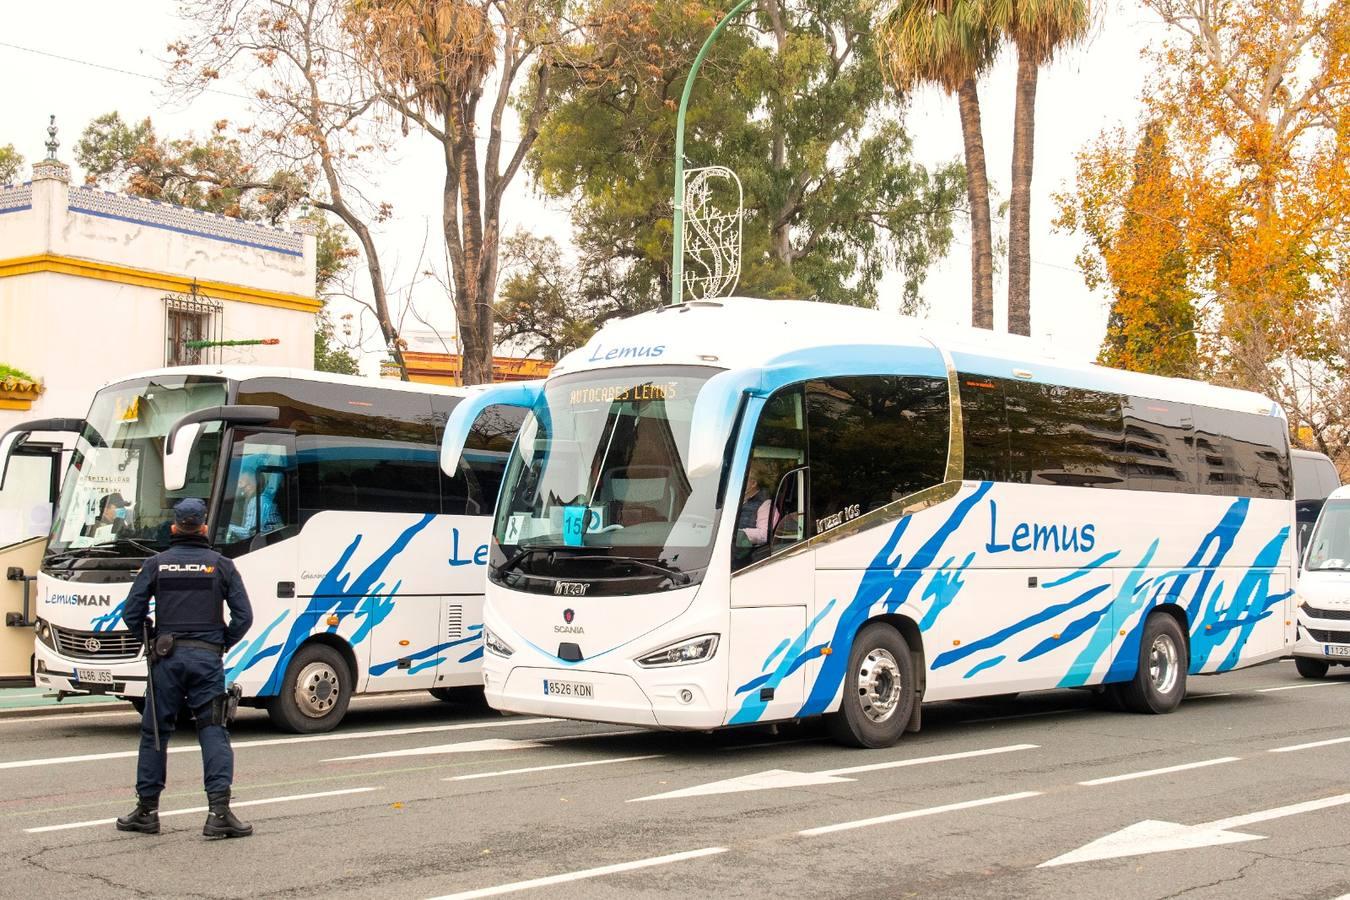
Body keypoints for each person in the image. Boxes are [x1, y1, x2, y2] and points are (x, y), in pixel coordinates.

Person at [116, 498, 255, 839]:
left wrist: (149, 639)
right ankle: (218, 813)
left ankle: (146, 812)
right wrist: (221, 642)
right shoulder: (221, 566)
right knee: (212, 730)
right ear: (204, 527)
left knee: (155, 733)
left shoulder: (156, 564)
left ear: (174, 528)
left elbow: (131, 614)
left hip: (166, 659)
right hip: (207, 660)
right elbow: (244, 617)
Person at [737, 459, 775, 547]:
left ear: (753, 483)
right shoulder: (734, 497)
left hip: (745, 551)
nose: (738, 480)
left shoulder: (766, 503)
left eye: (743, 477)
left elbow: (764, 534)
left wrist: (739, 533)